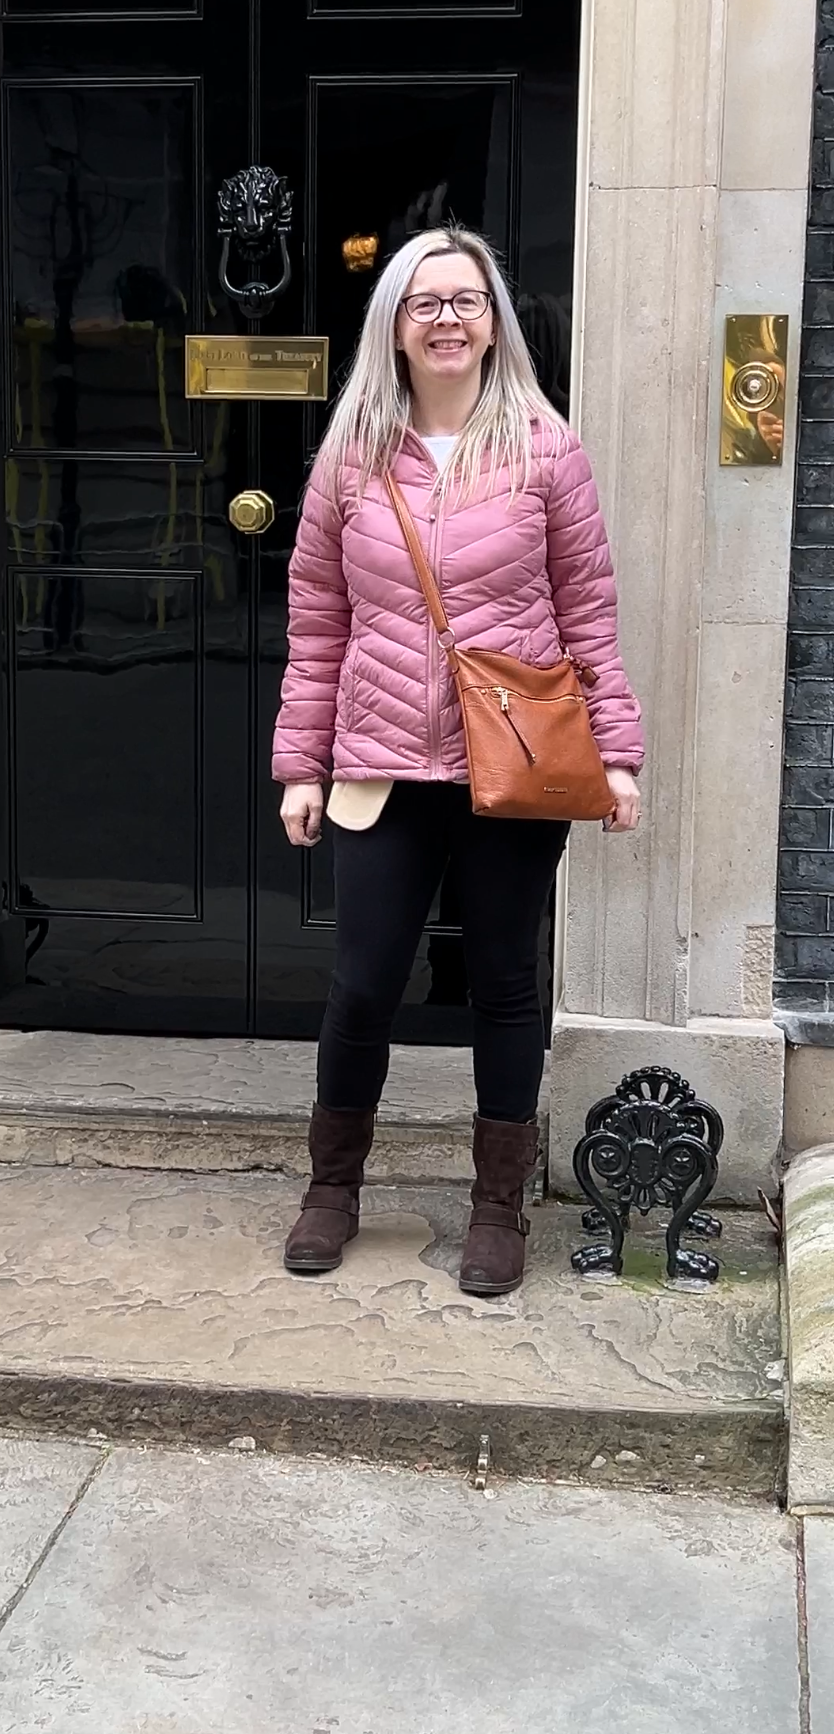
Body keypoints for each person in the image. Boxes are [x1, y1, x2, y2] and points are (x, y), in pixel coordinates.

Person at [273, 226, 643, 1295]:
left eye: (465, 301)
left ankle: (496, 1208)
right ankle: (332, 1191)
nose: (446, 318)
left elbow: (587, 613)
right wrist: (302, 762)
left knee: (506, 986)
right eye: (425, 301)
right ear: (394, 323)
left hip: (515, 766)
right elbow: (317, 617)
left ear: (494, 323)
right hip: (380, 762)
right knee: (362, 986)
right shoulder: (352, 456)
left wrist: (614, 753)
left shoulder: (543, 448)